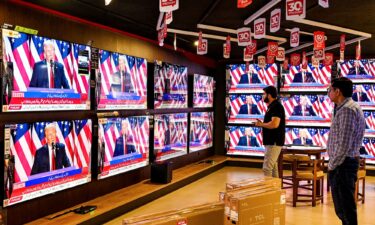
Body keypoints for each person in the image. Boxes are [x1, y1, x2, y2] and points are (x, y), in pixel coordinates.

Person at [327, 77, 365, 225]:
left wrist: (332, 165)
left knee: (345, 208)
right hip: (344, 163)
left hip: (343, 165)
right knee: (344, 208)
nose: (329, 93)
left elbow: (344, 143)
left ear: (338, 91)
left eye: (330, 90)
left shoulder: (347, 110)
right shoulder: (348, 107)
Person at [255, 86, 285, 177]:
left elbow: (275, 124)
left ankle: (268, 190)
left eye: (264, 94)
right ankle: (275, 189)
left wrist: (261, 124)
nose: (262, 96)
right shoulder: (272, 106)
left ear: (269, 95)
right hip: (271, 142)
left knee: (267, 168)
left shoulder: (276, 106)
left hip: (274, 142)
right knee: (273, 167)